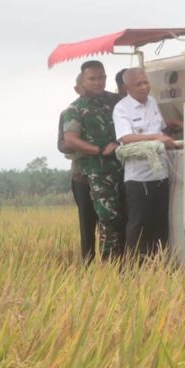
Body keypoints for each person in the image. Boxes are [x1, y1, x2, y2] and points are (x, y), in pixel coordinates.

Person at [62, 60, 125, 261]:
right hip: (89, 173)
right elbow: (69, 140)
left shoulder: (116, 102)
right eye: (92, 79)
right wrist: (99, 150)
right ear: (83, 82)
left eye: (101, 78)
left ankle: (120, 262)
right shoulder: (74, 109)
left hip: (120, 169)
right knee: (96, 221)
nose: (97, 82)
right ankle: (98, 266)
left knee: (119, 218)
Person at [113, 67, 177, 258]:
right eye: (138, 84)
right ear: (126, 88)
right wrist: (156, 138)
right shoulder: (122, 108)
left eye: (146, 82)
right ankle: (134, 268)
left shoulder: (153, 103)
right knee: (138, 225)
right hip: (138, 179)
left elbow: (163, 129)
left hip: (161, 175)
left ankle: (158, 265)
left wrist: (174, 128)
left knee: (160, 224)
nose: (143, 87)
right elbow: (126, 138)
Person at [57, 72, 97, 264]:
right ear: (77, 88)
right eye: (89, 81)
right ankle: (88, 263)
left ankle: (114, 264)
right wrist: (82, 147)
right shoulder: (69, 113)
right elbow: (62, 144)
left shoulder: (107, 109)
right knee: (87, 222)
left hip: (108, 174)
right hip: (82, 176)